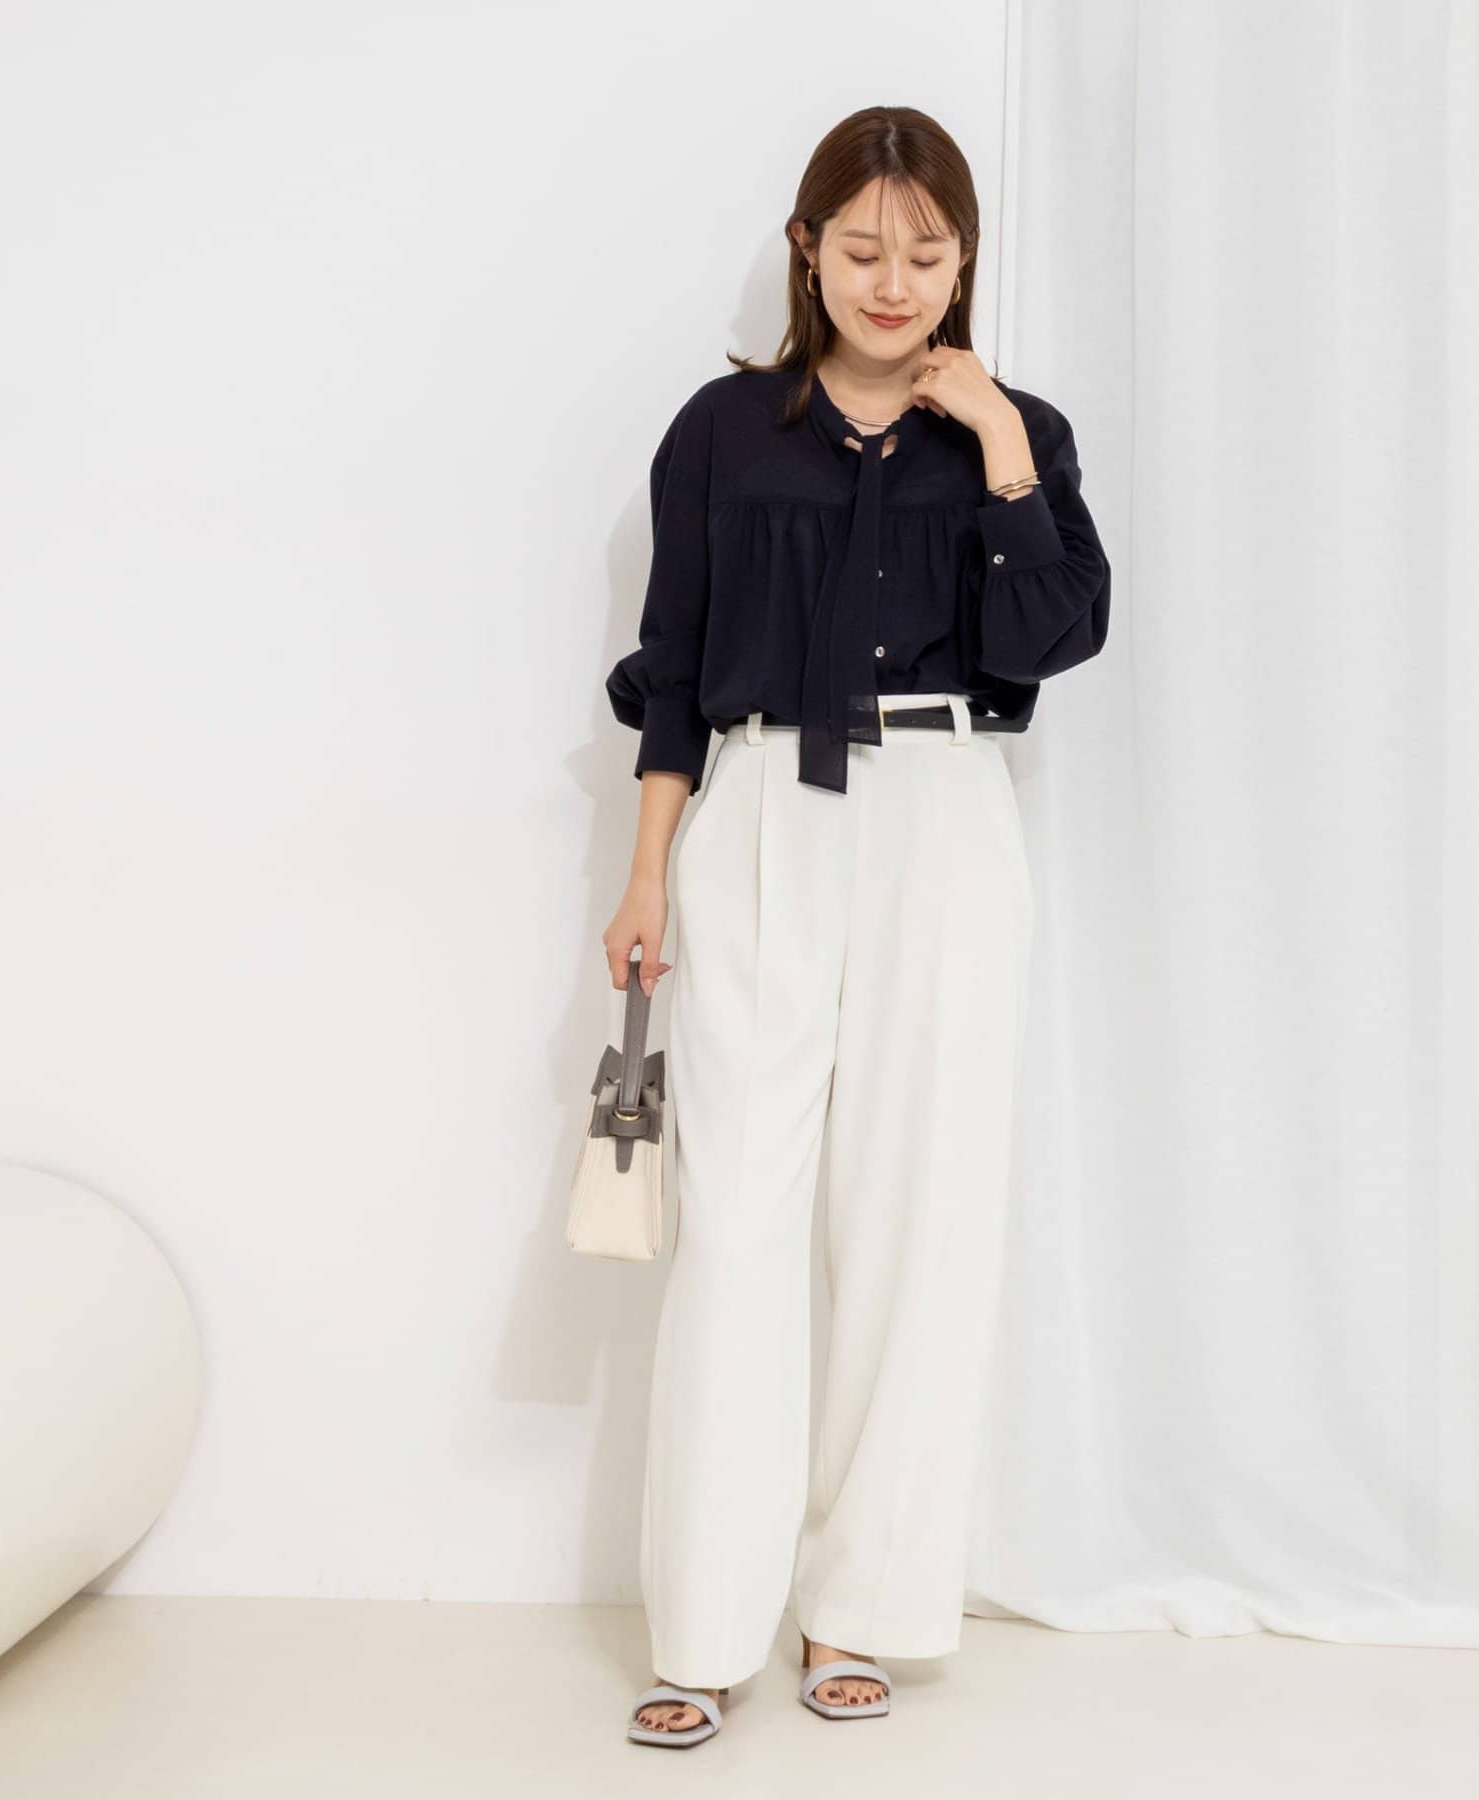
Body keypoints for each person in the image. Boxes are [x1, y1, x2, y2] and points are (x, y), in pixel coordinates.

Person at [601, 104, 1110, 1746]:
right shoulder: (722, 431)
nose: (894, 283)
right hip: (759, 814)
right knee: (737, 1223)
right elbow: (676, 665)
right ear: (808, 249)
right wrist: (644, 877)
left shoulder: (1015, 431)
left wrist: (1003, 444)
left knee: (918, 1223)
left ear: (966, 264)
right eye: (865, 248)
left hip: (945, 821)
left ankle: (863, 1612)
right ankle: (704, 1632)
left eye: (928, 253)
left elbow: (1053, 636)